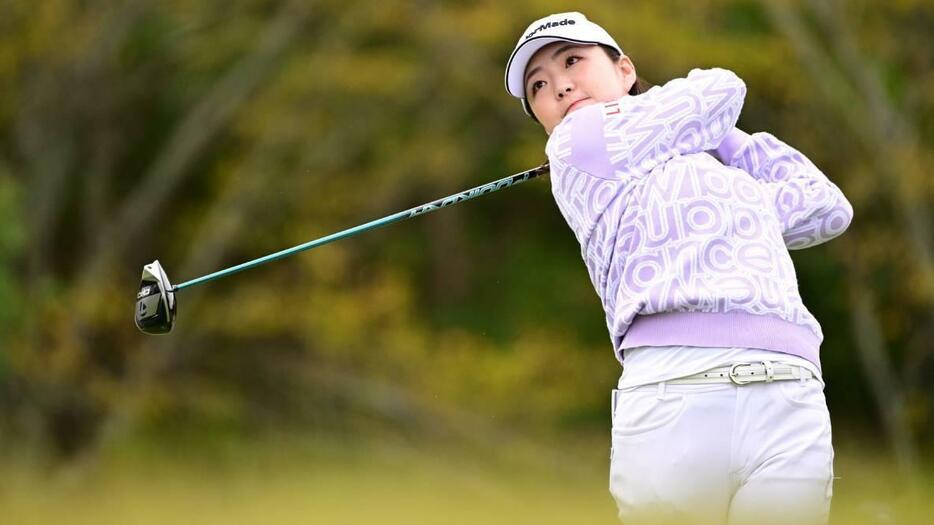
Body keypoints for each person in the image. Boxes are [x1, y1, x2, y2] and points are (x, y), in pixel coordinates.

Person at [504, 12, 853, 525]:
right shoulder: (577, 145)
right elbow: (722, 88)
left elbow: (823, 205)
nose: (559, 86)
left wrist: (714, 141)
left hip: (788, 389)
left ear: (625, 70)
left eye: (573, 61)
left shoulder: (718, 176)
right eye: (538, 86)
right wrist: (702, 128)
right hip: (675, 395)